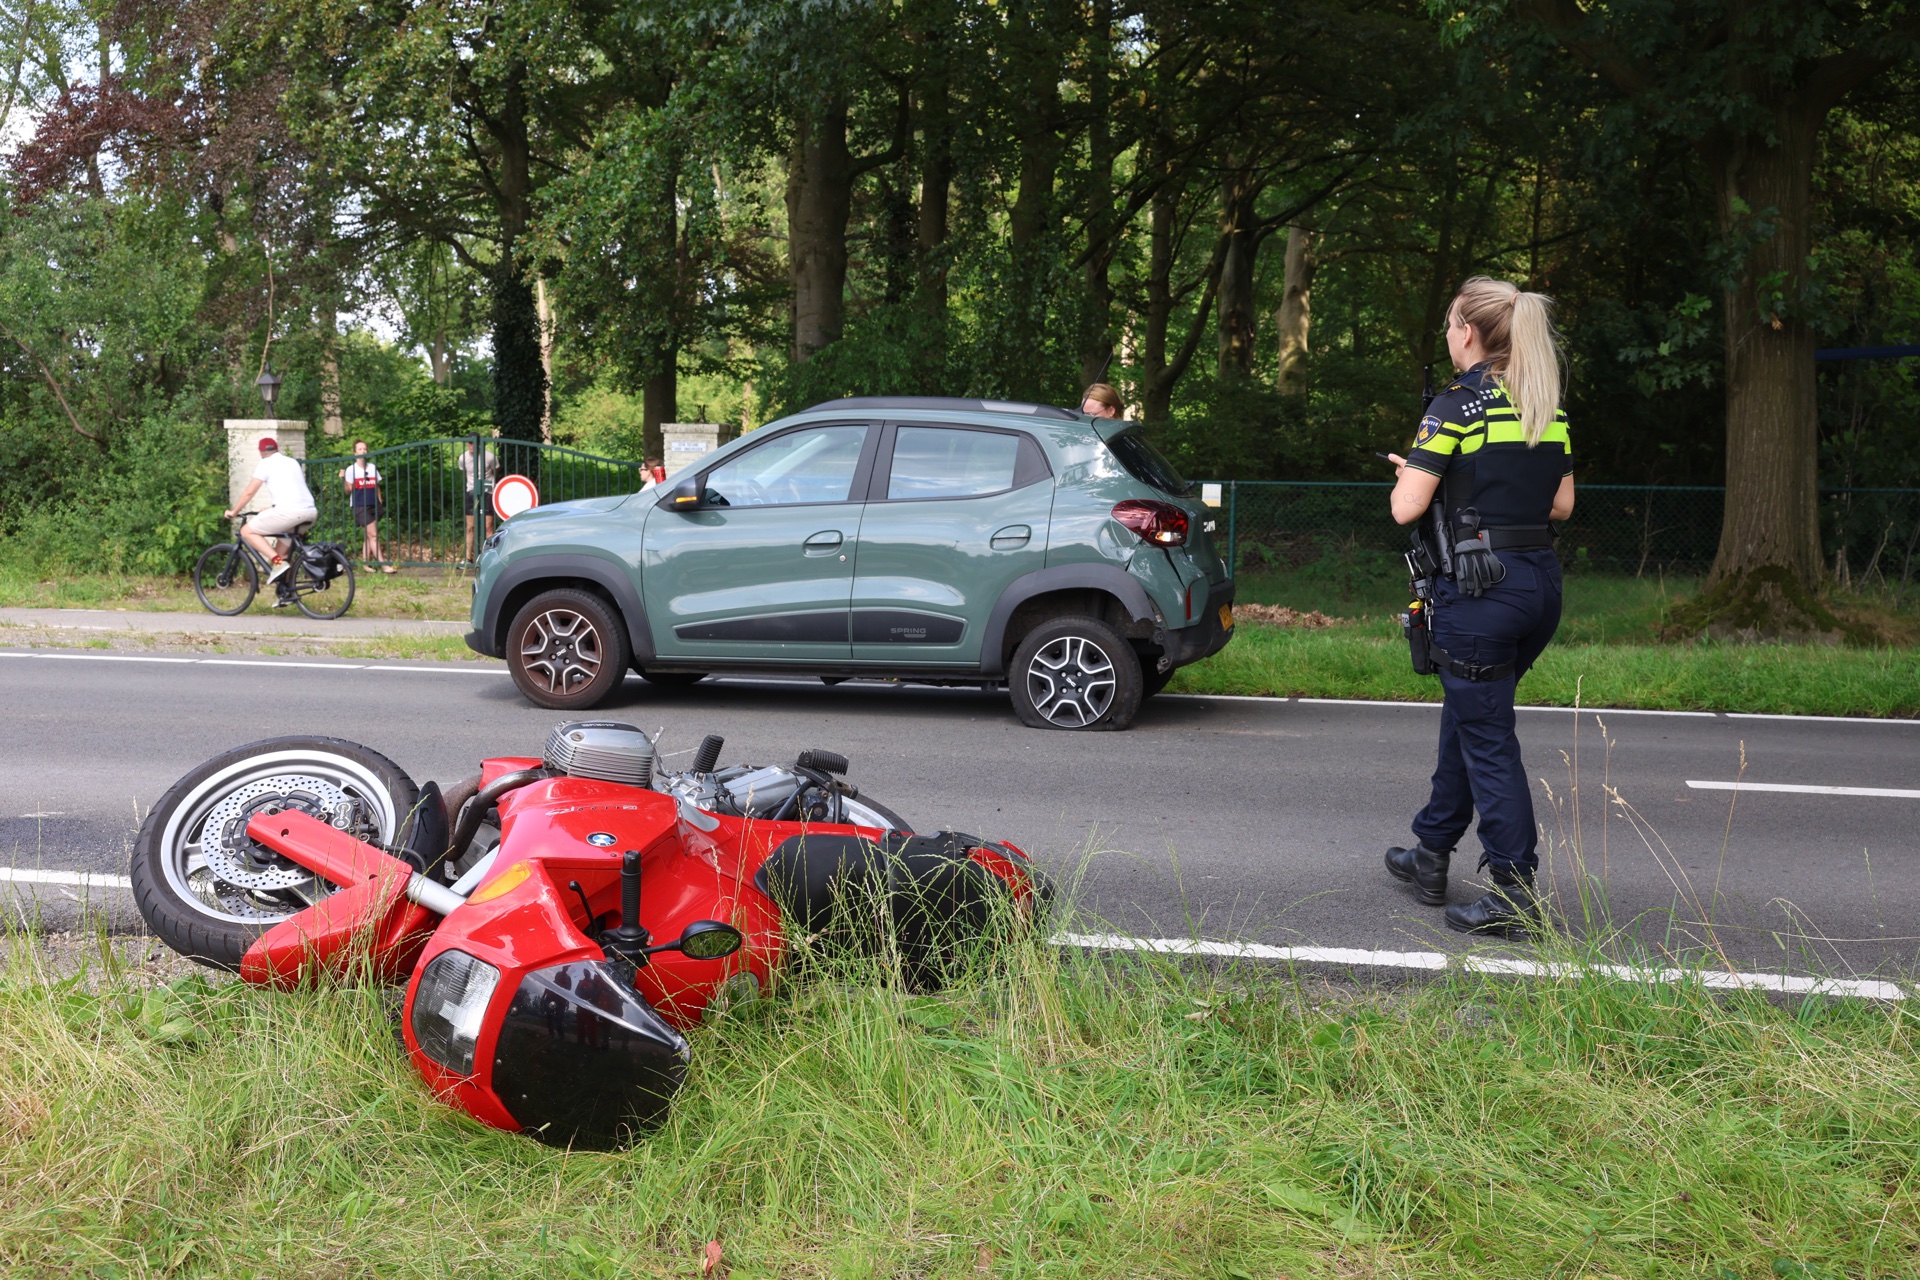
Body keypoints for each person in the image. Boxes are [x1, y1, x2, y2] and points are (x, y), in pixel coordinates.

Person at [1381, 276, 1576, 938]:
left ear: (1466, 331)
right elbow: (1560, 505)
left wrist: (1416, 470)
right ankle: (1431, 852)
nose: (1446, 332)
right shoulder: (1542, 403)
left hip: (1479, 591)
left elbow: (1406, 506)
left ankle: (1515, 892)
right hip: (1538, 587)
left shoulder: (1455, 405)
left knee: (1488, 739)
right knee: (1471, 714)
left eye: (1448, 322)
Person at [225, 437, 318, 585]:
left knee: (246, 531)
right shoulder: (292, 462)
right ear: (277, 449)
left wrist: (234, 511)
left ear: (260, 452)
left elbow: (249, 492)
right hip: (310, 513)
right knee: (283, 553)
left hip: (290, 513)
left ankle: (278, 562)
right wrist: (272, 509)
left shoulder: (265, 463)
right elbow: (292, 491)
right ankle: (287, 593)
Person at [340, 441, 398, 574]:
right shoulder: (351, 469)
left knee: (369, 536)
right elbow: (348, 491)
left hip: (374, 504)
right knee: (373, 535)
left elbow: (377, 485)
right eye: (360, 449)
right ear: (355, 453)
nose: (363, 451)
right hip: (360, 505)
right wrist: (343, 479)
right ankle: (383, 565)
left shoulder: (372, 467)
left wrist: (380, 501)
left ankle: (365, 564)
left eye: (365, 449)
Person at [460, 437, 498, 558]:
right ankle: (468, 558)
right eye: (469, 443)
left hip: (488, 492)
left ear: (479, 444)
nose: (471, 446)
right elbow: (465, 473)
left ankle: (489, 557)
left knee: (488, 525)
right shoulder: (463, 458)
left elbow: (496, 471)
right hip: (471, 491)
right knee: (470, 526)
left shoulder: (490, 457)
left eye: (474, 443)